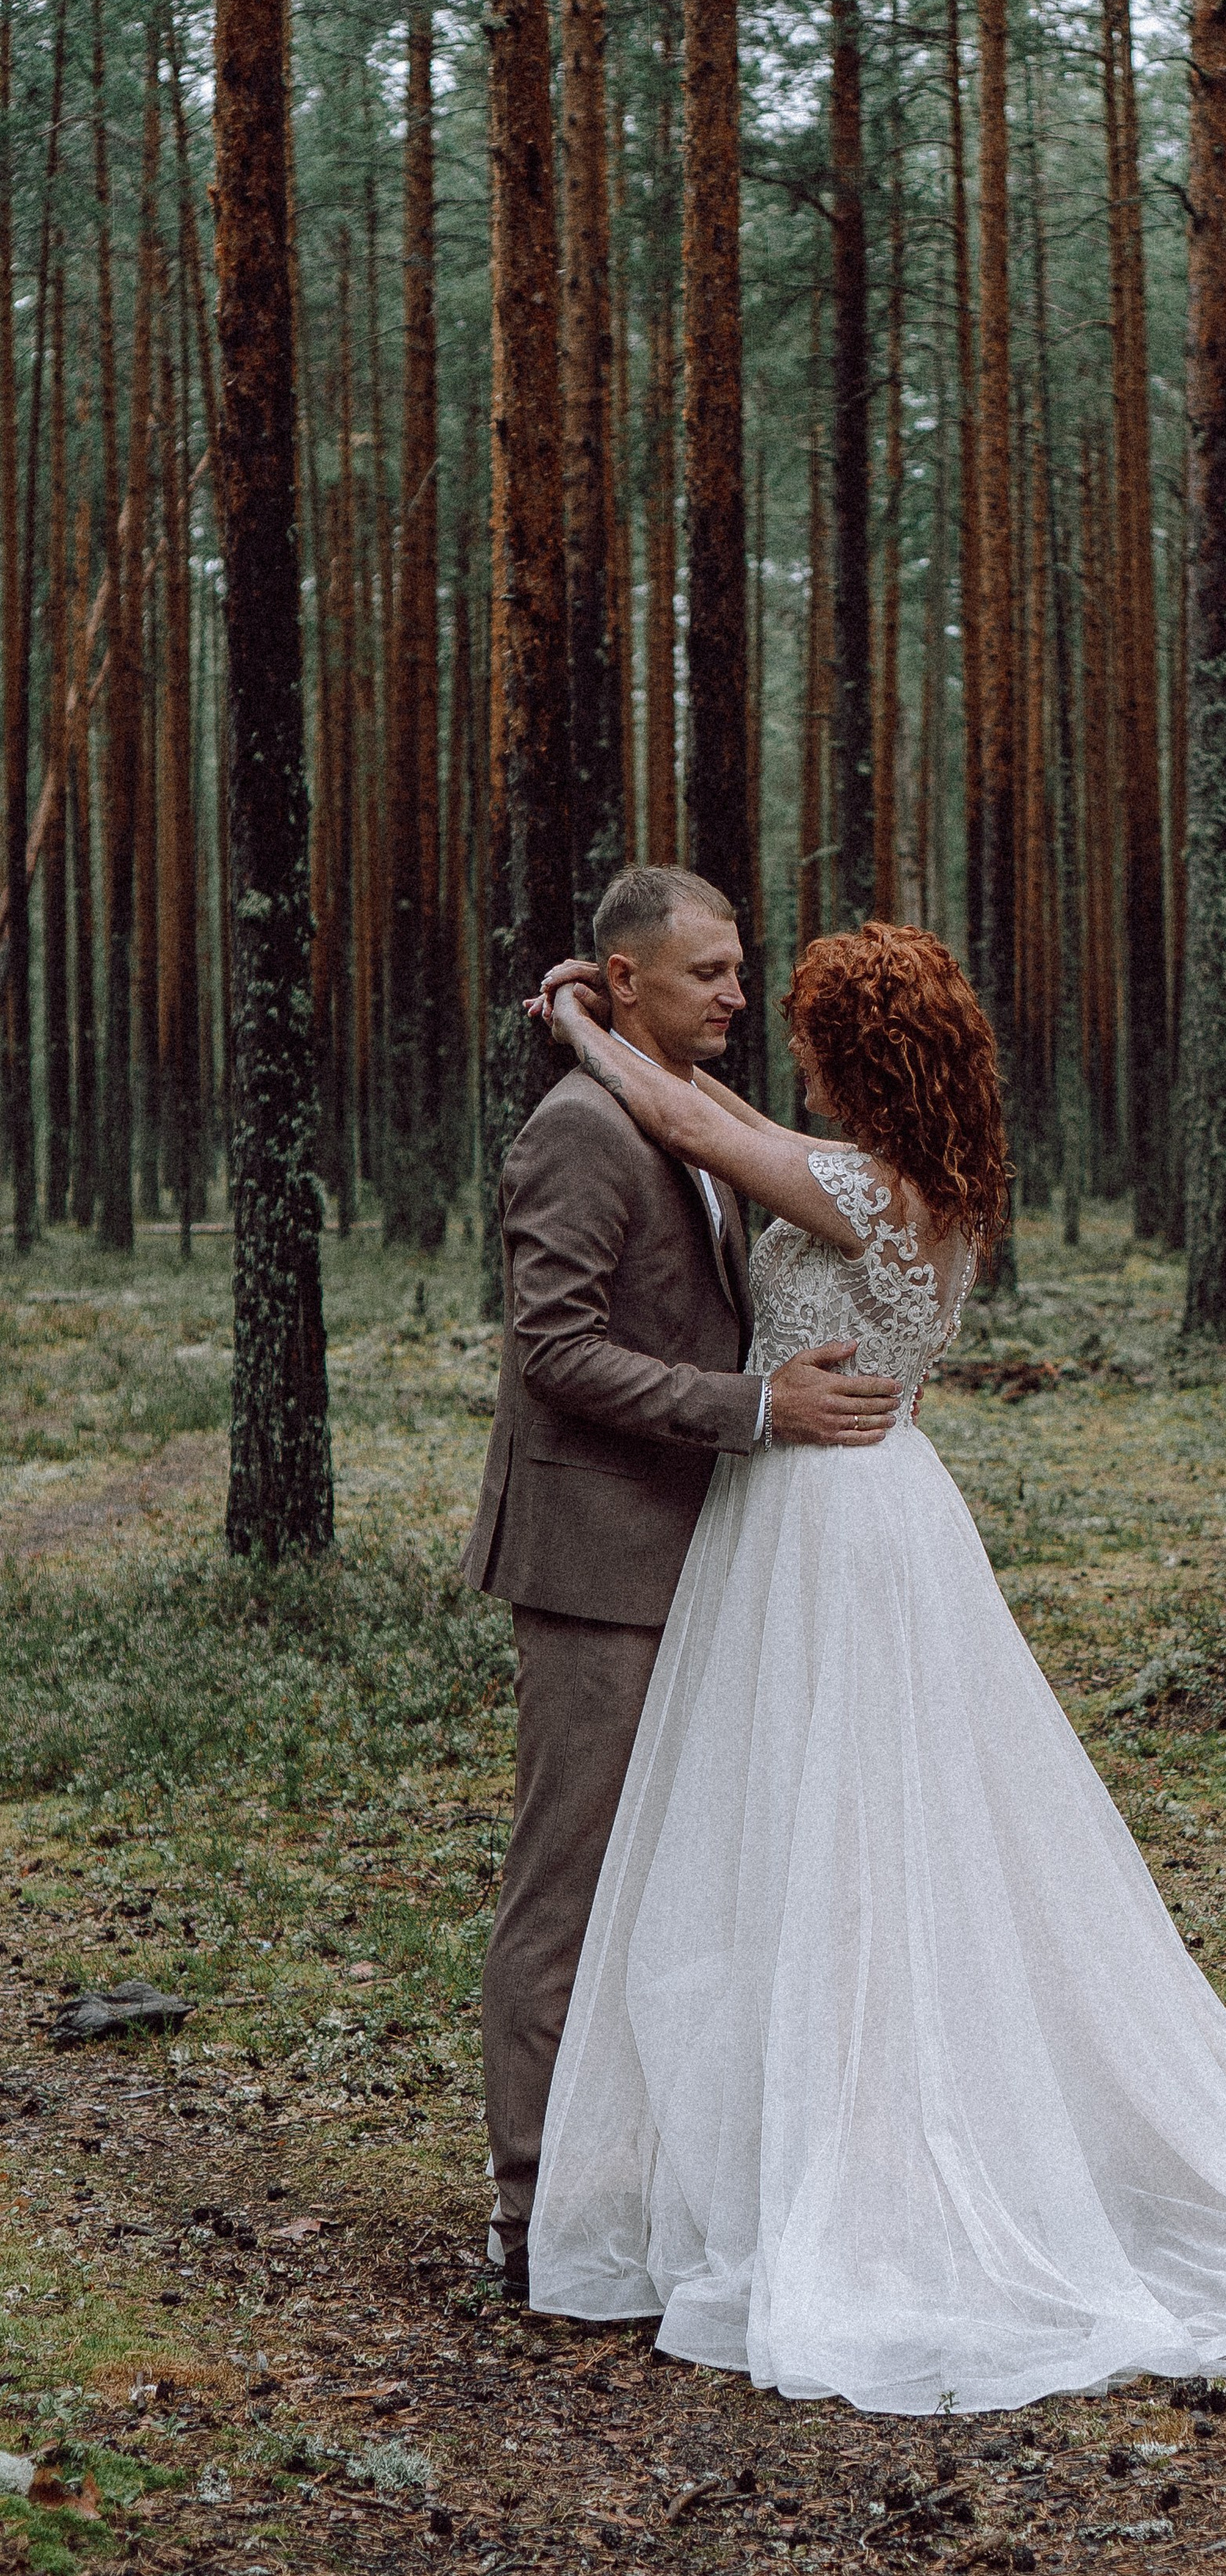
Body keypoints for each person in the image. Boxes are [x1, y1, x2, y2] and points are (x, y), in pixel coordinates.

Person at [525, 916, 1226, 2414]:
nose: (796, 1058)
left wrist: (584, 1028)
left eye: (822, 1040)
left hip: (833, 1523)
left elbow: (702, 1127)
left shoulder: (864, 1190)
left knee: (850, 1837)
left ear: (866, 1060)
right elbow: (731, 1122)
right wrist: (631, 1040)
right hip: (855, 1513)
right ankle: (819, 2117)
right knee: (854, 1833)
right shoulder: (910, 1180)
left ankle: (863, 2143)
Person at [460, 866, 901, 2303]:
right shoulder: (579, 1132)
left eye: (739, 968)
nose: (736, 994)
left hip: (706, 1559)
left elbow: (716, 1144)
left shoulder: (678, 1110)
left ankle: (641, 2191)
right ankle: (532, 2214)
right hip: (597, 1565)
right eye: (708, 972)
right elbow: (554, 1351)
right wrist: (756, 1406)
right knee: (571, 1883)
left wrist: (589, 1030)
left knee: (680, 1884)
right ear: (627, 976)